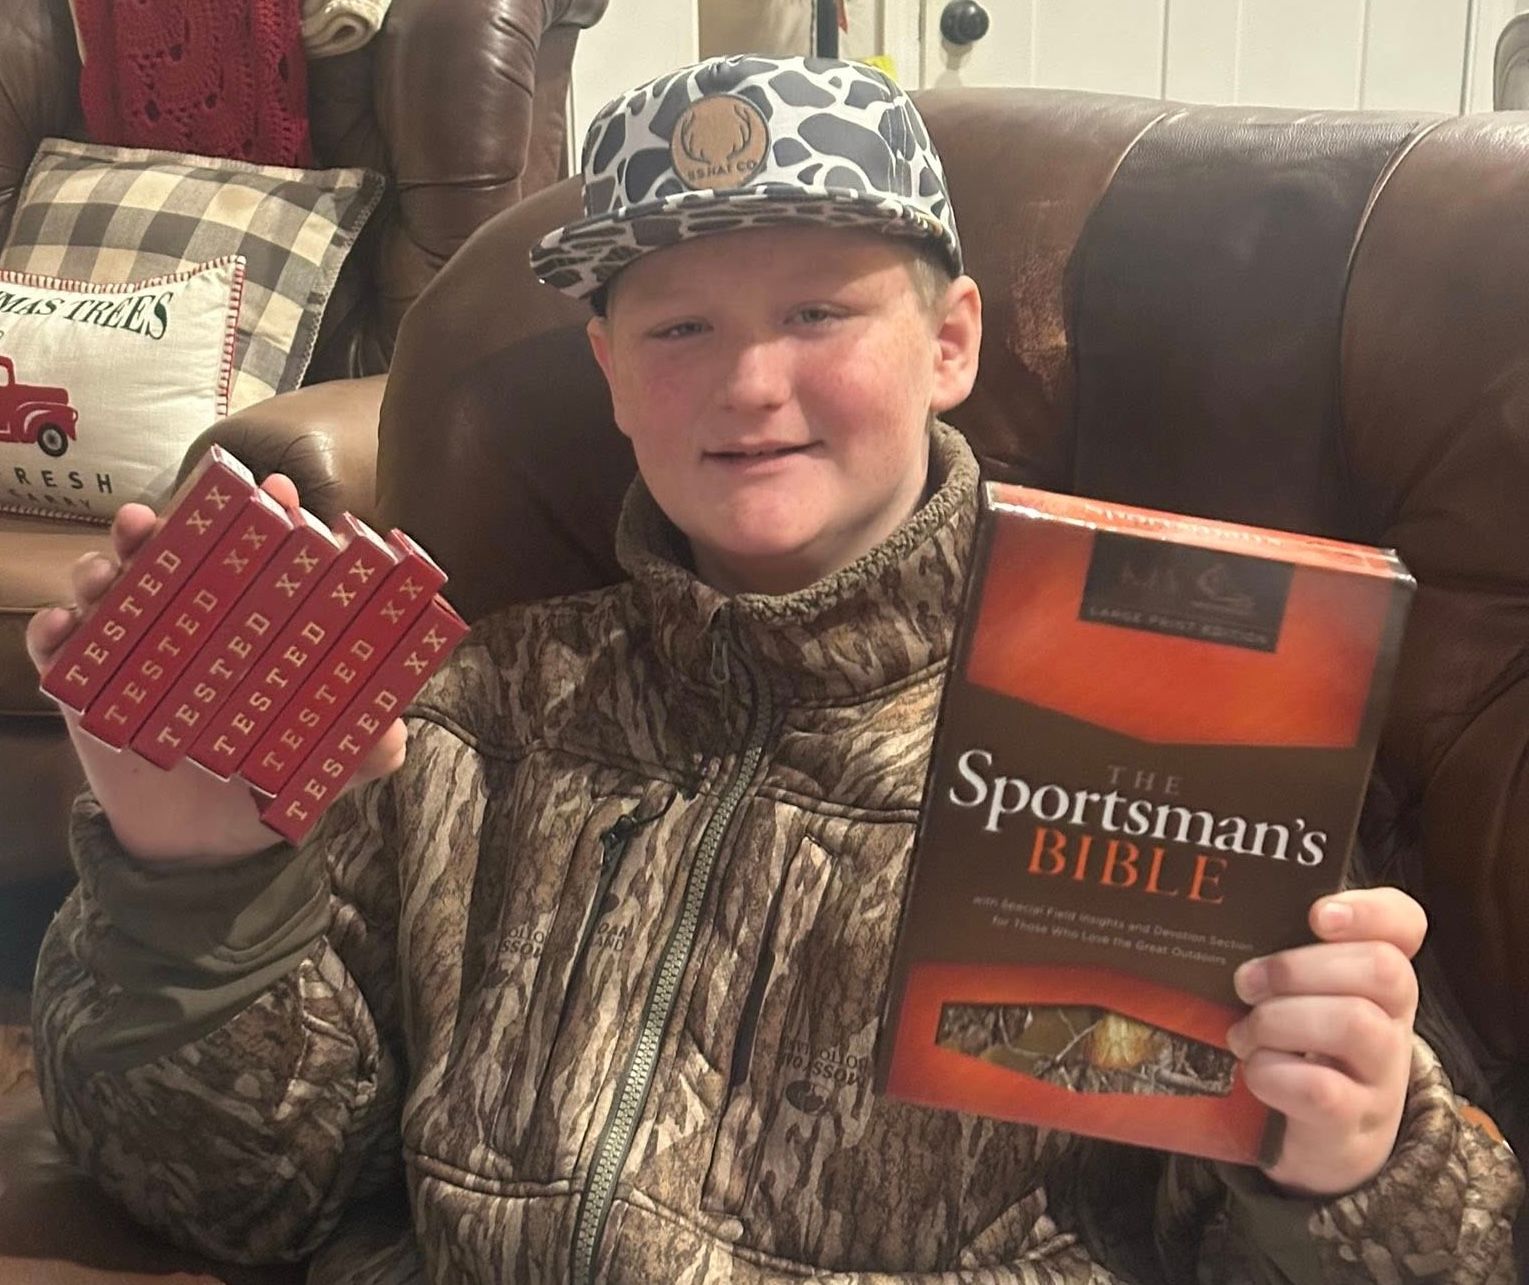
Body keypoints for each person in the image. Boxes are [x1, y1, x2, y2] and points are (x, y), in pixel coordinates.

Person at [26, 54, 1522, 1283]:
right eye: (678, 326)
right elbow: (247, 1197)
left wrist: (1353, 1164)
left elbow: (1425, 1252)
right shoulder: (467, 714)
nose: (749, 386)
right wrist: (189, 884)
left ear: (948, 343)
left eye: (819, 312)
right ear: (606, 369)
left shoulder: (1167, 731)